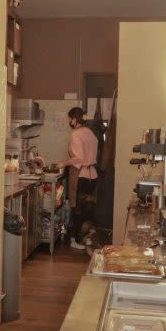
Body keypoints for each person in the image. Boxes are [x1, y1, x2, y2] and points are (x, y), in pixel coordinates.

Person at [57, 107, 99, 250]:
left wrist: (63, 163)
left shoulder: (76, 135)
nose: (69, 121)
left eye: (70, 119)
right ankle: (88, 239)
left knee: (77, 209)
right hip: (93, 175)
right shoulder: (91, 133)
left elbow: (79, 158)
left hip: (80, 174)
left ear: (75, 119)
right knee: (89, 209)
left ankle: (75, 240)